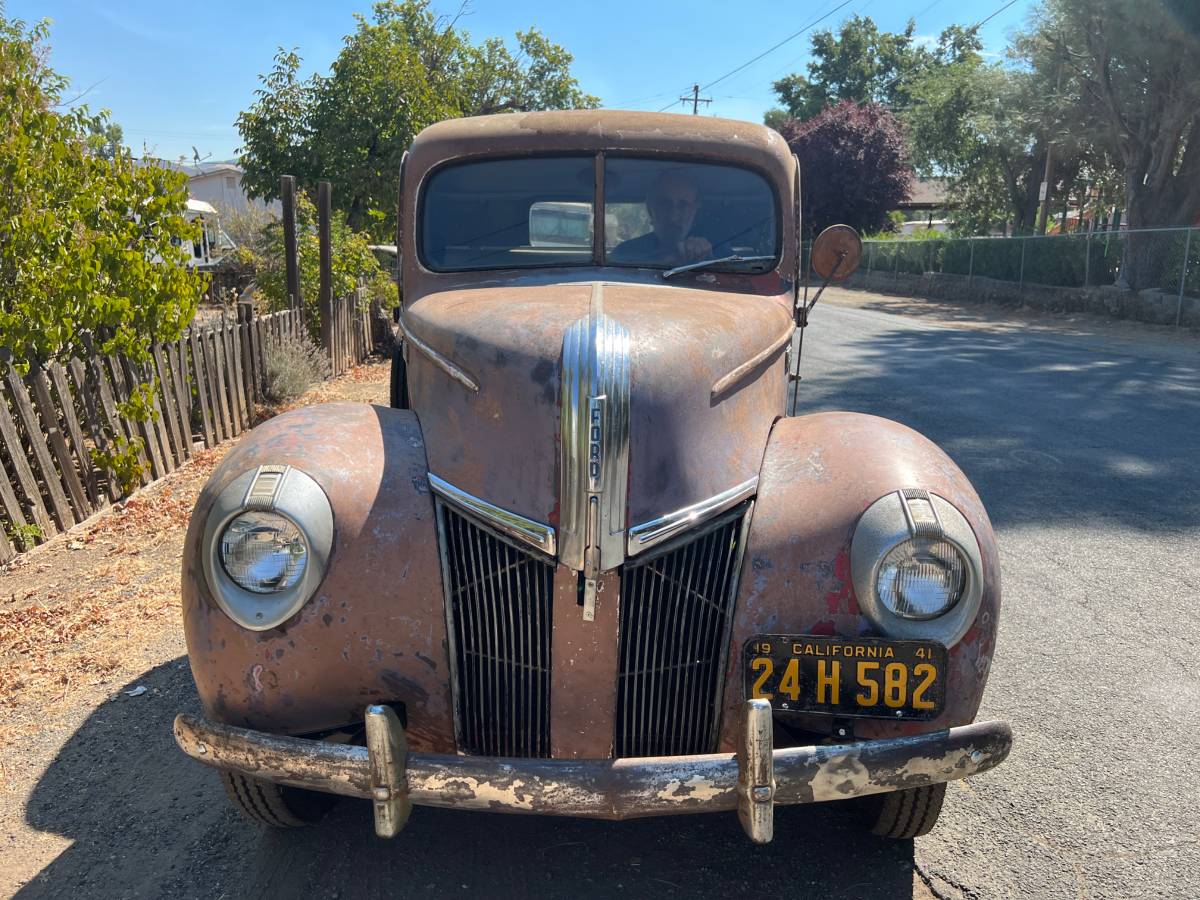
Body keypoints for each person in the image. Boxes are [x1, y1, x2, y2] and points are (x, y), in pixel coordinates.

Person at [610, 169, 713, 266]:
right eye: (664, 204)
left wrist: (706, 259)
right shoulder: (625, 253)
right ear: (650, 209)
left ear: (695, 210)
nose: (673, 216)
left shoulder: (718, 250)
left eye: (683, 205)